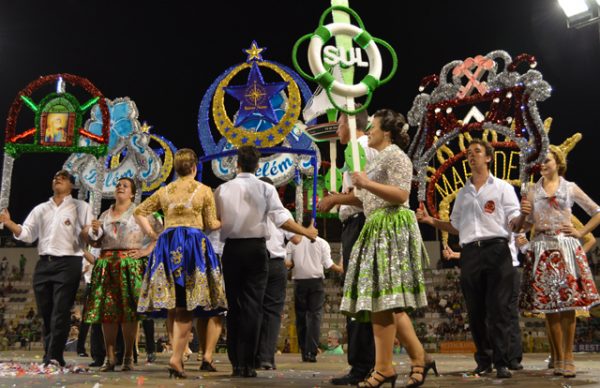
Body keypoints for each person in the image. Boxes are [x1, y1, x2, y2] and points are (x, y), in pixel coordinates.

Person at [339, 109, 431, 388]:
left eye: (373, 128)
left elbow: (402, 195)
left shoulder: (396, 156)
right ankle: (388, 366)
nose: (369, 132)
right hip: (376, 226)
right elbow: (370, 199)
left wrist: (366, 183)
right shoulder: (379, 158)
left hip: (391, 227)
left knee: (387, 300)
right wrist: (353, 193)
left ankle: (409, 362)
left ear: (387, 133)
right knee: (379, 301)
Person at [417, 139, 521, 379]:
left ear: (488, 157)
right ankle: (483, 361)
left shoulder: (503, 187)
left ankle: (502, 361)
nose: (471, 156)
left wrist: (523, 218)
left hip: (497, 249)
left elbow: (514, 220)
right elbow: (455, 226)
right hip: (471, 252)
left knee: (498, 310)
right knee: (475, 311)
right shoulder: (463, 193)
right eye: (468, 153)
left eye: (476, 152)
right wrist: (430, 221)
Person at [214, 145, 318, 378]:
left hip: (232, 249)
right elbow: (282, 220)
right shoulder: (264, 188)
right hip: (255, 249)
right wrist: (306, 231)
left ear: (237, 164)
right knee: (253, 306)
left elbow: (217, 220)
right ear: (257, 165)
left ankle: (236, 363)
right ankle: (248, 364)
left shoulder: (222, 189)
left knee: (234, 306)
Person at [135, 148, 227, 379]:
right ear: (194, 168)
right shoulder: (204, 190)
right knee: (186, 306)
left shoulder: (164, 190)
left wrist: (154, 234)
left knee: (175, 305)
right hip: (192, 246)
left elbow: (139, 211)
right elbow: (209, 223)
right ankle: (176, 359)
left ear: (176, 169)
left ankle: (177, 356)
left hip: (167, 244)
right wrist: (222, 222)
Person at [518, 146, 600, 378]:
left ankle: (569, 357)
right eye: (541, 162)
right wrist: (523, 218)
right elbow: (522, 227)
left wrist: (580, 230)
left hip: (565, 246)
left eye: (547, 161)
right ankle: (559, 358)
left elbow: (597, 212)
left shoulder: (570, 187)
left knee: (569, 306)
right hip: (542, 247)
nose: (543, 165)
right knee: (549, 308)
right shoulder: (533, 191)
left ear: (558, 162)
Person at [0, 170, 93, 367]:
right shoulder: (41, 209)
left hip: (69, 262)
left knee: (60, 310)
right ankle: (51, 354)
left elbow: (91, 235)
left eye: (63, 177)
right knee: (47, 312)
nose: (57, 178)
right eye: (55, 177)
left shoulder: (81, 207)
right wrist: (8, 222)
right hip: (44, 263)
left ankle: (53, 355)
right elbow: (26, 234)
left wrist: (88, 232)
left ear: (72, 185)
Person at [316, 107, 378, 386]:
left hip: (361, 224)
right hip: (357, 225)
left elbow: (364, 196)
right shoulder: (360, 148)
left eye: (338, 122)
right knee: (363, 296)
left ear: (351, 124)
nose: (335, 128)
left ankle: (362, 365)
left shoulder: (359, 148)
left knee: (359, 297)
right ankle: (368, 363)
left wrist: (335, 200)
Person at [83, 177, 158, 372]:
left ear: (133, 193)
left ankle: (127, 356)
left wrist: (145, 251)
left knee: (128, 314)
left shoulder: (140, 213)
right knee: (108, 314)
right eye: (118, 185)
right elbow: (97, 243)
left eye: (125, 186)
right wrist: (94, 232)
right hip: (107, 264)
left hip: (129, 264)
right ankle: (110, 357)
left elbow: (159, 235)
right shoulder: (105, 214)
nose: (120, 187)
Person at [255, 176, 297, 371]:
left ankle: (252, 356)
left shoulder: (251, 210)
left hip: (255, 262)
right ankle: (266, 358)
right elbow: (296, 239)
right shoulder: (282, 211)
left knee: (254, 310)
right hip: (276, 263)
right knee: (272, 312)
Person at [287, 231, 343, 363]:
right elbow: (328, 264)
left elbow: (288, 263)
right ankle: (311, 352)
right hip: (316, 282)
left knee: (301, 317)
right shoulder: (322, 243)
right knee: (315, 317)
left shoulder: (292, 242)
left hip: (299, 282)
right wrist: (341, 268)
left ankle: (303, 350)